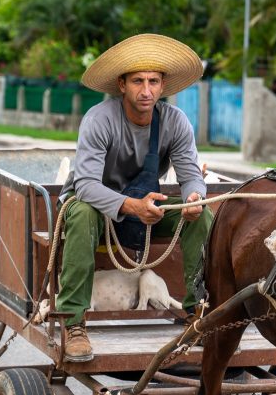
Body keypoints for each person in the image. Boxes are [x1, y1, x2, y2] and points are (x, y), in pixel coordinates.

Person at [56, 33, 212, 362]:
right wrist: (132, 207)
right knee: (82, 212)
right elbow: (86, 185)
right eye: (138, 81)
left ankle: (197, 314)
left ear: (162, 85)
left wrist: (194, 197)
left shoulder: (175, 122)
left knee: (202, 216)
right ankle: (73, 322)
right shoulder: (99, 119)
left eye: (153, 82)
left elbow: (190, 176)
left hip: (145, 208)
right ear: (122, 85)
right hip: (95, 210)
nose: (146, 90)